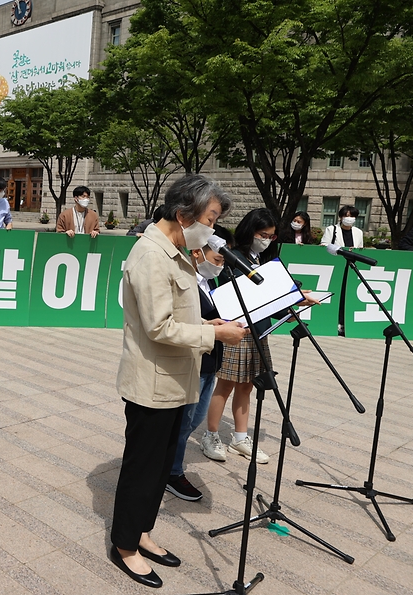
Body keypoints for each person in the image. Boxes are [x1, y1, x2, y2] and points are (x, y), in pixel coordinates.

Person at [111, 174, 247, 589]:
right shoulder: (150, 254)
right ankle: (125, 546)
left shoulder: (177, 249)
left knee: (161, 469)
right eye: (210, 218)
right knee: (142, 469)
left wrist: (207, 321)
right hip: (153, 384)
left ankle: (143, 533)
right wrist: (215, 335)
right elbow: (158, 327)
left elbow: (179, 313)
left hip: (175, 382)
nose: (213, 228)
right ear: (183, 214)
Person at [201, 208, 318, 464]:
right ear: (249, 231)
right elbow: (254, 294)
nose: (266, 239)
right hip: (236, 329)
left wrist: (295, 299)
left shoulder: (262, 259)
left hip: (258, 331)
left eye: (271, 236)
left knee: (248, 384)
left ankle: (240, 437)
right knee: (226, 384)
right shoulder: (237, 257)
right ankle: (210, 435)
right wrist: (295, 298)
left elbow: (270, 296)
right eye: (262, 234)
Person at [165, 226, 235, 502]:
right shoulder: (185, 281)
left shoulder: (211, 283)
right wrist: (212, 327)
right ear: (197, 252)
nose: (220, 266)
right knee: (183, 422)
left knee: (192, 421)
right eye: (217, 259)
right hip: (193, 362)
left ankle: (169, 466)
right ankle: (172, 472)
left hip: (210, 362)